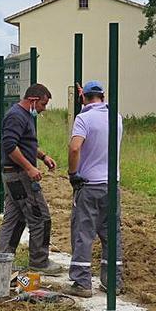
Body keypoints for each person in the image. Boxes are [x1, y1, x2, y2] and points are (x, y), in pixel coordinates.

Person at [64, 81, 123, 297]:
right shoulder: (115, 117)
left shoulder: (83, 119)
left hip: (89, 185)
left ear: (83, 98)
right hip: (112, 185)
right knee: (111, 234)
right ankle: (113, 282)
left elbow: (75, 147)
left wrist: (72, 173)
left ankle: (82, 282)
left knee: (83, 232)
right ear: (103, 97)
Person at [0, 83, 62, 274]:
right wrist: (29, 168)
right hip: (18, 175)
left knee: (14, 219)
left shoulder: (24, 116)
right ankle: (39, 262)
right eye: (43, 104)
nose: (43, 109)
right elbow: (10, 145)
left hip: (13, 175)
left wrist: (42, 156)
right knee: (40, 217)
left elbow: (24, 143)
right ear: (33, 100)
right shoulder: (16, 116)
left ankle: (2, 261)